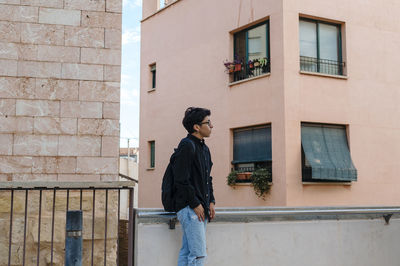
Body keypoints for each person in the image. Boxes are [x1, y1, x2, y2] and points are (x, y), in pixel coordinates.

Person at [173, 107, 216, 266]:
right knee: (198, 255)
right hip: (191, 208)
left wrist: (211, 200)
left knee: (188, 252)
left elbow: (207, 178)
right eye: (208, 122)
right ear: (196, 127)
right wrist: (195, 203)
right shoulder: (186, 145)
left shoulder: (204, 149)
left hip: (199, 207)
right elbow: (180, 179)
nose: (211, 126)